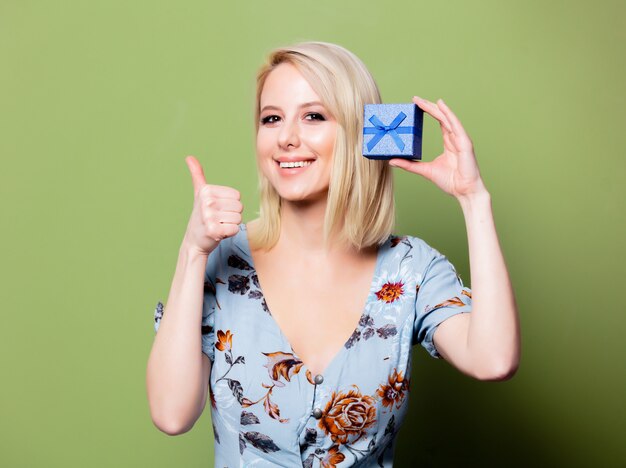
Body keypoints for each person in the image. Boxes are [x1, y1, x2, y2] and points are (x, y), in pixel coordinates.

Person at [146, 41, 520, 467]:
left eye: (313, 116)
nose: (287, 138)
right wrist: (193, 252)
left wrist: (474, 199)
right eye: (271, 119)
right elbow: (171, 414)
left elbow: (494, 360)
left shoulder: (411, 269)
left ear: (362, 132)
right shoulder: (224, 261)